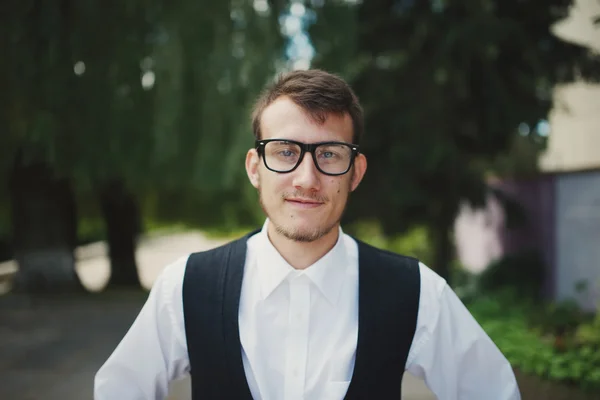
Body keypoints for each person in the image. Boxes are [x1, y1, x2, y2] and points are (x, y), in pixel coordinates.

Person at [94, 69, 520, 399]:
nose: (306, 178)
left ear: (356, 173)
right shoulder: (186, 286)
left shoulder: (416, 291)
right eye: (285, 151)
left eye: (330, 154)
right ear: (254, 168)